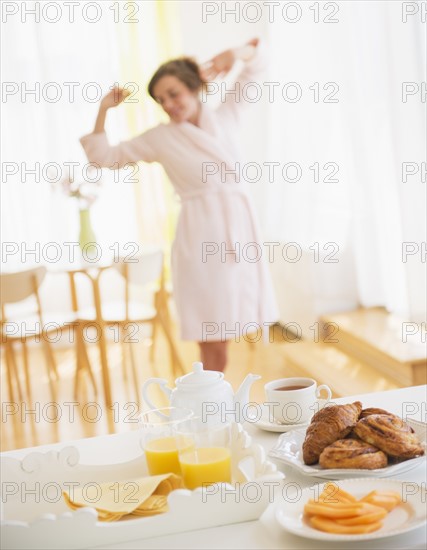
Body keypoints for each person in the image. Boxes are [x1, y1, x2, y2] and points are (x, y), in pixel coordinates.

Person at [80, 38, 279, 372]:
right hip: (201, 236)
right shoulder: (161, 138)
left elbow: (256, 68)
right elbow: (104, 158)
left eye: (174, 94)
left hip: (238, 230)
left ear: (194, 87)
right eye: (161, 100)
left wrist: (235, 52)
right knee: (211, 331)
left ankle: (218, 407)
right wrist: (103, 110)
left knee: (229, 328)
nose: (169, 104)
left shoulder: (226, 116)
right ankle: (213, 408)